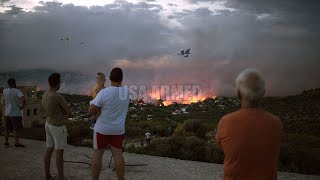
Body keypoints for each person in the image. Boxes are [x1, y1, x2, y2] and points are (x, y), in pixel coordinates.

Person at [215, 69, 283, 180]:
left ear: (238, 93)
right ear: (263, 93)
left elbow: (222, 146)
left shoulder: (226, 121)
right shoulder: (276, 123)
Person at [89, 67, 129, 180]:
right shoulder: (126, 92)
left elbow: (91, 111)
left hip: (102, 129)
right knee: (118, 155)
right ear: (121, 79)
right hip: (118, 130)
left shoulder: (103, 93)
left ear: (110, 78)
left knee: (97, 155)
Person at [42, 73, 71, 180]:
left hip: (48, 124)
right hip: (58, 127)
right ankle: (61, 178)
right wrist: (66, 116)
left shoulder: (45, 94)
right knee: (59, 152)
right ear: (57, 83)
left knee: (49, 149)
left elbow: (45, 111)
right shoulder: (57, 96)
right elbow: (68, 111)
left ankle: (47, 175)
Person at [3, 78, 26, 147]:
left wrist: (6, 106)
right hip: (15, 113)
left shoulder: (5, 90)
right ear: (14, 83)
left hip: (7, 113)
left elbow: (4, 101)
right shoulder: (17, 91)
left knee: (7, 129)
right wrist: (22, 106)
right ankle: (16, 143)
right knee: (16, 129)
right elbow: (23, 99)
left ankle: (6, 141)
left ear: (8, 83)